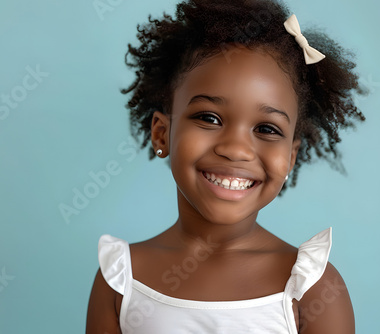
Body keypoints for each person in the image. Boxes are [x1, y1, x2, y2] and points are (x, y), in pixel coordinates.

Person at [86, 0, 364, 333]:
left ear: (290, 157)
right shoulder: (121, 278)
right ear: (162, 133)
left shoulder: (312, 287)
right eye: (208, 118)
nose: (235, 150)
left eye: (266, 129)